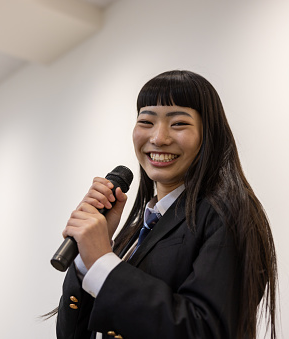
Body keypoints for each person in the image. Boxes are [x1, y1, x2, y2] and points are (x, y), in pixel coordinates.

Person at [50, 70, 277, 339]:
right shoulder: (138, 231)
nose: (158, 138)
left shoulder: (226, 212)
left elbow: (207, 330)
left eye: (179, 123)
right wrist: (89, 259)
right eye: (146, 122)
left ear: (209, 134)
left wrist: (104, 263)